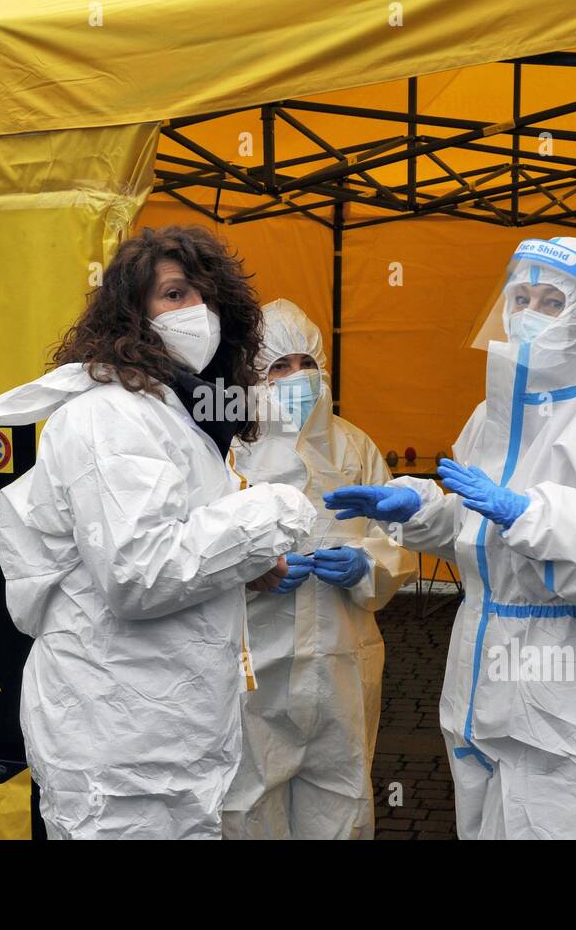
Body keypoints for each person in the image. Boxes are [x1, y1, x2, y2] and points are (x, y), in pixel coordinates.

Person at [325, 236, 576, 840]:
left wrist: (530, 515)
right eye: (520, 298)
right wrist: (417, 508)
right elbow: (478, 533)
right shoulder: (495, 412)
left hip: (569, 670)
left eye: (552, 302)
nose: (529, 314)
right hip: (479, 666)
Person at [0, 225, 316, 840]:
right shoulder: (111, 414)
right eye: (174, 294)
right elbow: (138, 573)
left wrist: (240, 564)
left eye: (205, 296)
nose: (195, 312)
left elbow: (170, 543)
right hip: (120, 752)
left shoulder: (170, 410)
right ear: (131, 312)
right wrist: (273, 512)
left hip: (161, 740)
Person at [220, 300, 416, 840]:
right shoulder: (231, 449)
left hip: (341, 666)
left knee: (343, 800)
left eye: (306, 362)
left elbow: (398, 543)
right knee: (246, 804)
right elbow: (195, 551)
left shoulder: (355, 447)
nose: (296, 376)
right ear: (251, 374)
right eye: (277, 366)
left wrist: (365, 566)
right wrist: (252, 571)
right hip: (256, 668)